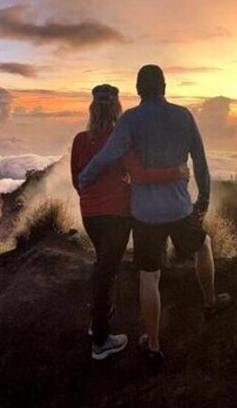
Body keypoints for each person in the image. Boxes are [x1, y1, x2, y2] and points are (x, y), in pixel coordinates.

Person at [78, 65, 231, 364]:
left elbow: (108, 155)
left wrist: (85, 177)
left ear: (138, 90)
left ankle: (154, 345)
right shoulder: (184, 116)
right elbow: (200, 161)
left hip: (144, 214)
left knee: (149, 276)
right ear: (164, 86)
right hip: (178, 207)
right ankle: (211, 303)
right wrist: (204, 199)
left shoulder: (131, 120)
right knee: (202, 245)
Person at [71, 84, 188, 361]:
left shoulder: (79, 139)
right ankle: (100, 341)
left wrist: (93, 200)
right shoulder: (120, 139)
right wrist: (177, 172)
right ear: (117, 108)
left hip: (90, 215)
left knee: (104, 264)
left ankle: (96, 323)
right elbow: (139, 175)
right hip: (118, 217)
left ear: (91, 108)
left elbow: (78, 181)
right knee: (107, 271)